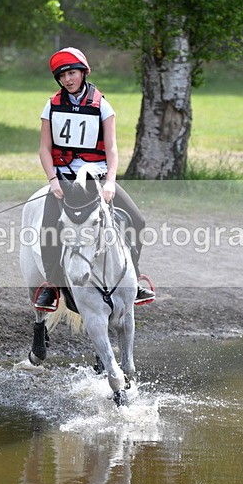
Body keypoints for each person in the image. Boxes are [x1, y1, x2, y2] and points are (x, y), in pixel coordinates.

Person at [34, 47, 155, 311]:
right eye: (63, 75)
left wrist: (111, 181)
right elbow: (44, 148)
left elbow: (111, 149)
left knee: (137, 220)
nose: (68, 79)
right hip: (64, 180)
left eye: (73, 73)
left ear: (83, 73)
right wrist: (53, 179)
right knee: (47, 230)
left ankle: (133, 280)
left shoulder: (102, 105)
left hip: (97, 178)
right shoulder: (52, 105)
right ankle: (53, 287)